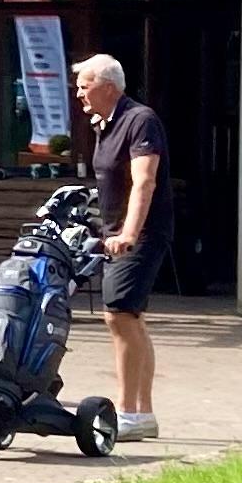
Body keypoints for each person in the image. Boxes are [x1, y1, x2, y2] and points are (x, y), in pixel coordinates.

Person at [71, 52, 164, 443]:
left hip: (140, 233)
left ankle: (127, 412)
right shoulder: (105, 124)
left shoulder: (140, 120)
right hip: (113, 232)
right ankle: (143, 414)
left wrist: (128, 233)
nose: (79, 95)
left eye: (84, 86)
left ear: (108, 87)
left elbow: (144, 182)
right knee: (133, 318)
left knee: (119, 315)